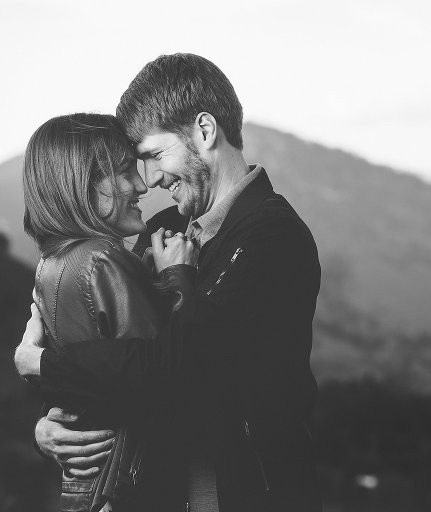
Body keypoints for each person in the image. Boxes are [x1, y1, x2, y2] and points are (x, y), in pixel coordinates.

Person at [15, 53, 323, 512]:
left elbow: (175, 368)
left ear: (204, 131)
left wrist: (43, 364)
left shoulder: (273, 237)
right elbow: (118, 345)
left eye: (155, 156)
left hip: (247, 494)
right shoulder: (160, 227)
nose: (151, 180)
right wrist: (54, 426)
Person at [21, 113, 197, 511]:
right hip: (131, 486)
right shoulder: (102, 260)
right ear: (82, 184)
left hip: (85, 483)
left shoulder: (50, 265)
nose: (141, 185)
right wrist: (177, 278)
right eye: (123, 172)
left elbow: (87, 374)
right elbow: (166, 373)